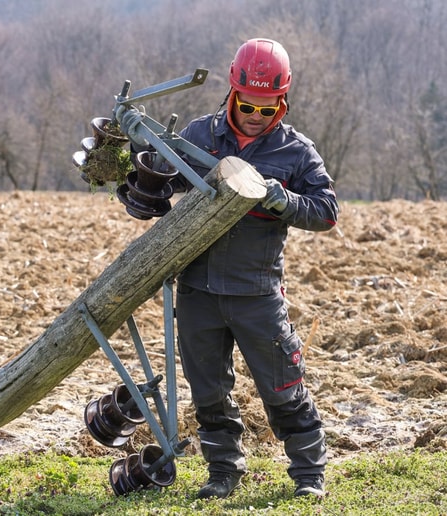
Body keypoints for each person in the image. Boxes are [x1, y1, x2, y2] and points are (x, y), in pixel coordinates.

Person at [172, 38, 338, 499]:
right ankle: (223, 472)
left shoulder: (296, 153)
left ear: (281, 102)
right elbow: (153, 195)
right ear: (232, 92)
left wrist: (283, 199)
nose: (255, 115)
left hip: (257, 291)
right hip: (198, 290)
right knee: (208, 391)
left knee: (283, 385)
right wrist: (135, 181)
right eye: (248, 104)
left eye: (268, 108)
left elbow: (326, 210)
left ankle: (309, 476)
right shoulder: (198, 136)